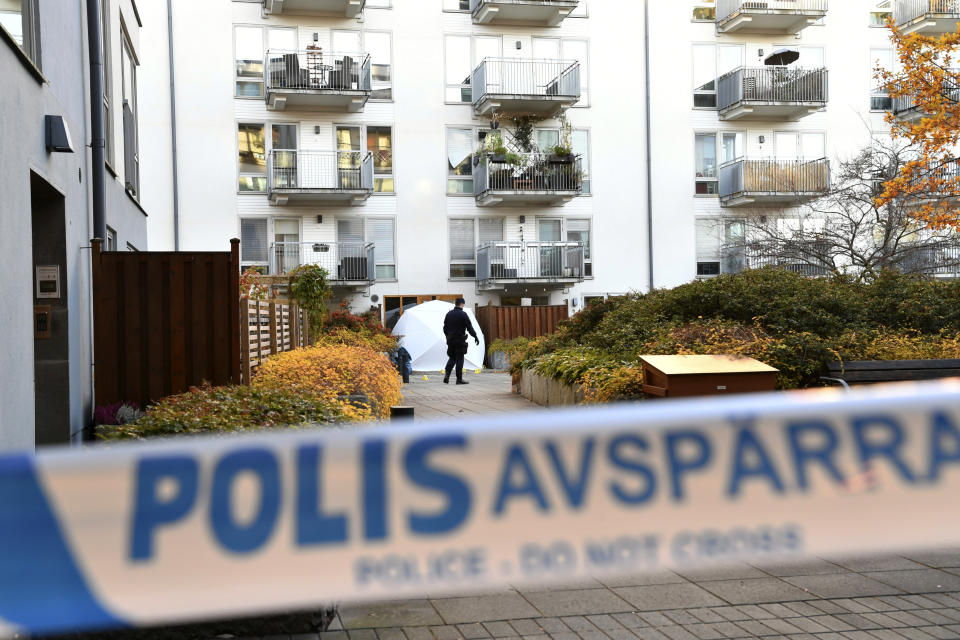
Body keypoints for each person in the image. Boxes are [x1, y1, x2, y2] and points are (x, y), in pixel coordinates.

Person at [442, 298, 479, 385]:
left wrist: (448, 336)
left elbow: (445, 328)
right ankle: (459, 379)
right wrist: (475, 336)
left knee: (452, 357)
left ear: (456, 303)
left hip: (450, 340)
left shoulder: (449, 314)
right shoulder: (463, 314)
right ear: (462, 304)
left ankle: (447, 375)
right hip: (460, 340)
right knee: (459, 358)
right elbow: (469, 327)